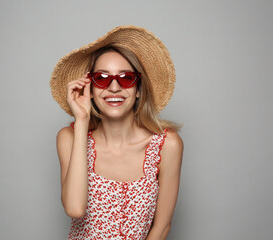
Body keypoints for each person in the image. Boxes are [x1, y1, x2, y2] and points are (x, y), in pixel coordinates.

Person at [50, 25, 184, 240]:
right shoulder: (69, 138)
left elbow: (162, 228)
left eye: (126, 78)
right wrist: (82, 119)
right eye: (102, 78)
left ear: (139, 89)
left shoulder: (168, 145)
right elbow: (75, 209)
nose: (114, 87)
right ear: (90, 89)